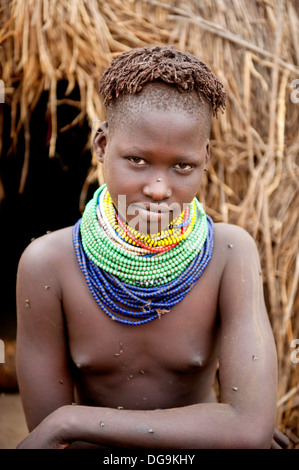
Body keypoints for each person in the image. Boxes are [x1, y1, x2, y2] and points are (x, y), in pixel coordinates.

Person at [16, 45, 288, 449]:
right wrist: (218, 426)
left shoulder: (230, 254)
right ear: (103, 145)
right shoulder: (49, 264)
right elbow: (50, 440)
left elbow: (249, 429)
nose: (159, 190)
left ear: (205, 159)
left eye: (183, 166)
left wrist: (72, 419)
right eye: (138, 160)